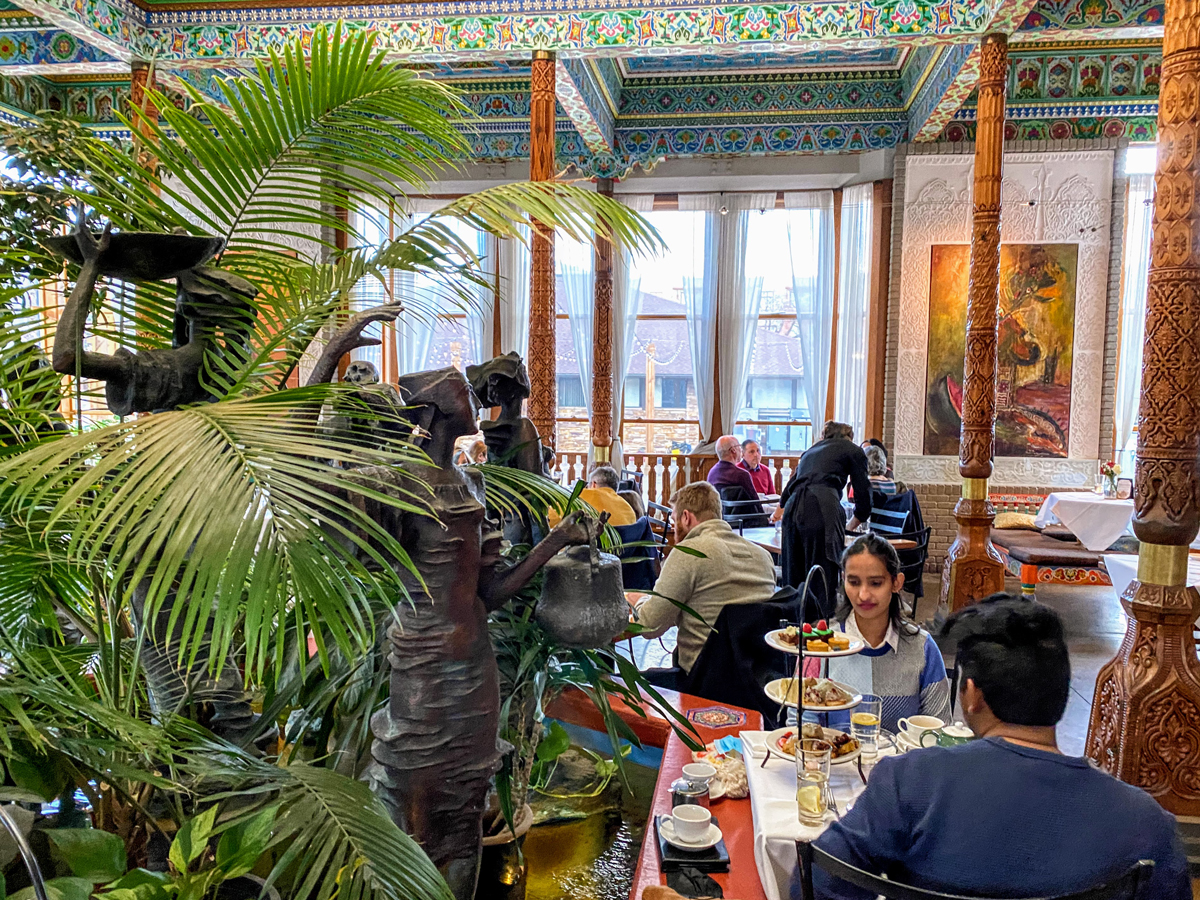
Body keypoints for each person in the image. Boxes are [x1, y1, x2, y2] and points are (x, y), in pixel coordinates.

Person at [812, 593, 1190, 900]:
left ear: (971, 694)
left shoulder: (909, 781)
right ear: (1062, 694)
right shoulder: (1148, 826)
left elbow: (818, 879)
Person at [809, 534, 950, 732]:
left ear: (896, 583)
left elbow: (939, 731)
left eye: (875, 583)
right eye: (854, 582)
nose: (863, 595)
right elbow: (801, 726)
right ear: (843, 580)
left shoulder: (923, 649)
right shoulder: (820, 646)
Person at [633, 482, 776, 674]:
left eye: (675, 522)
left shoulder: (689, 552)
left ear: (686, 517)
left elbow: (649, 626)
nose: (675, 531)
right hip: (755, 681)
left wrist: (638, 600)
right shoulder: (763, 556)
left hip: (702, 680)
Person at [772, 421, 871, 615]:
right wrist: (855, 521)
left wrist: (778, 512)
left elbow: (787, 491)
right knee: (822, 571)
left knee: (794, 571)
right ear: (849, 437)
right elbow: (863, 492)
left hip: (793, 507)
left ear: (825, 436)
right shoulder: (853, 450)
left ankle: (794, 626)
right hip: (822, 506)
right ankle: (822, 625)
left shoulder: (811, 451)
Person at [548, 464, 636, 527]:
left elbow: (550, 519)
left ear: (593, 484)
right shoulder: (627, 507)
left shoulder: (584, 495)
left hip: (590, 550)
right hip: (624, 551)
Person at [706, 434, 766, 520]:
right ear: (733, 450)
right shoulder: (741, 475)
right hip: (744, 523)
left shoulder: (712, 473)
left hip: (720, 520)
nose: (741, 450)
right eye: (739, 446)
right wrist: (765, 519)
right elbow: (755, 502)